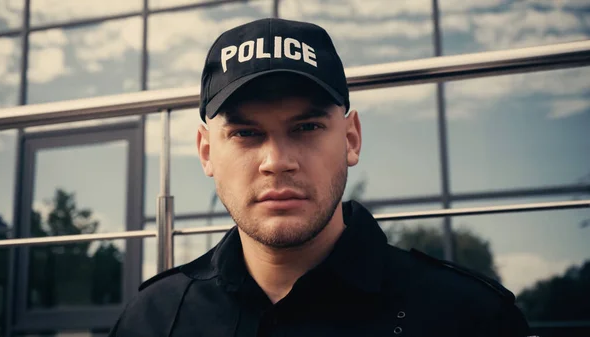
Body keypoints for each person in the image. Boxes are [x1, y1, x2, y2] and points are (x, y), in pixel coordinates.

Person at [108, 18, 531, 336]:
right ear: (206, 152)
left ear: (351, 139)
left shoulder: (468, 318)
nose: (277, 161)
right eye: (245, 133)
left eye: (306, 128)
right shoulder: (152, 320)